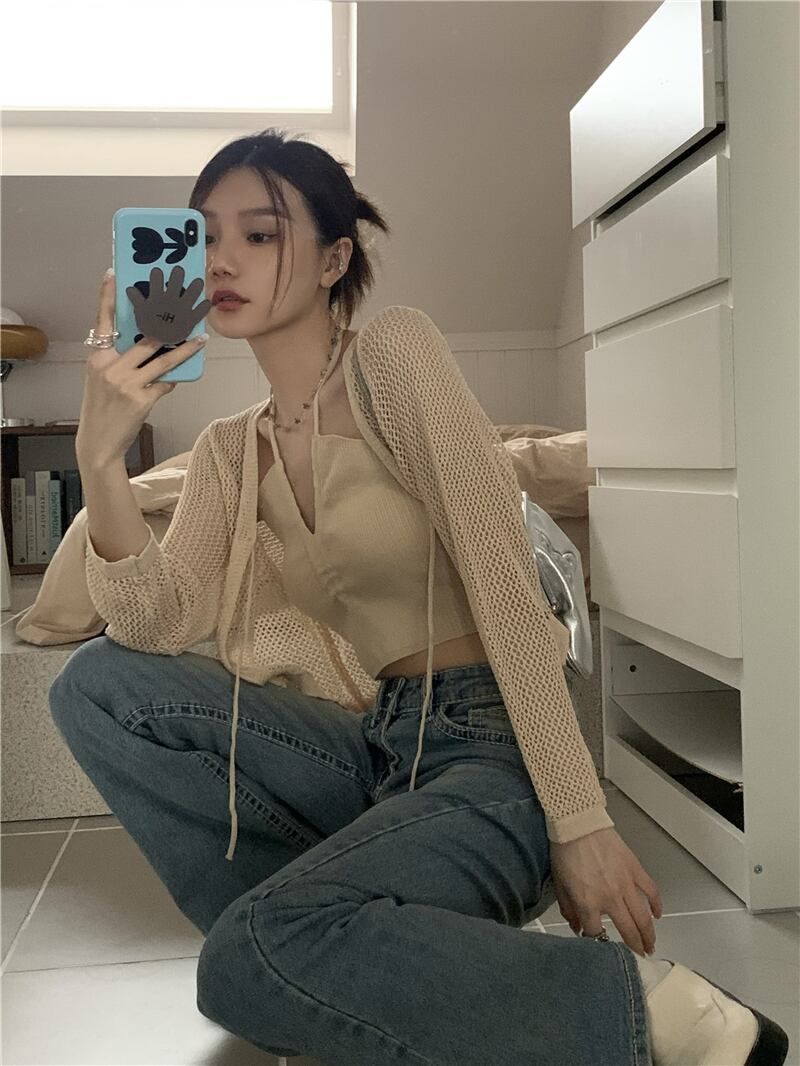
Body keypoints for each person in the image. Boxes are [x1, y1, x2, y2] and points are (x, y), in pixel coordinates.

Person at [49, 128, 787, 1066]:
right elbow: (154, 625)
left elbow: (507, 587)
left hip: (492, 751)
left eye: (260, 234)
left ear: (334, 260)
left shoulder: (393, 357)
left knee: (239, 961)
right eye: (205, 235)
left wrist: (582, 820)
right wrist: (101, 459)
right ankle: (335, 949)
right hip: (376, 748)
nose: (221, 259)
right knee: (94, 685)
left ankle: (660, 1010)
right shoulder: (234, 450)